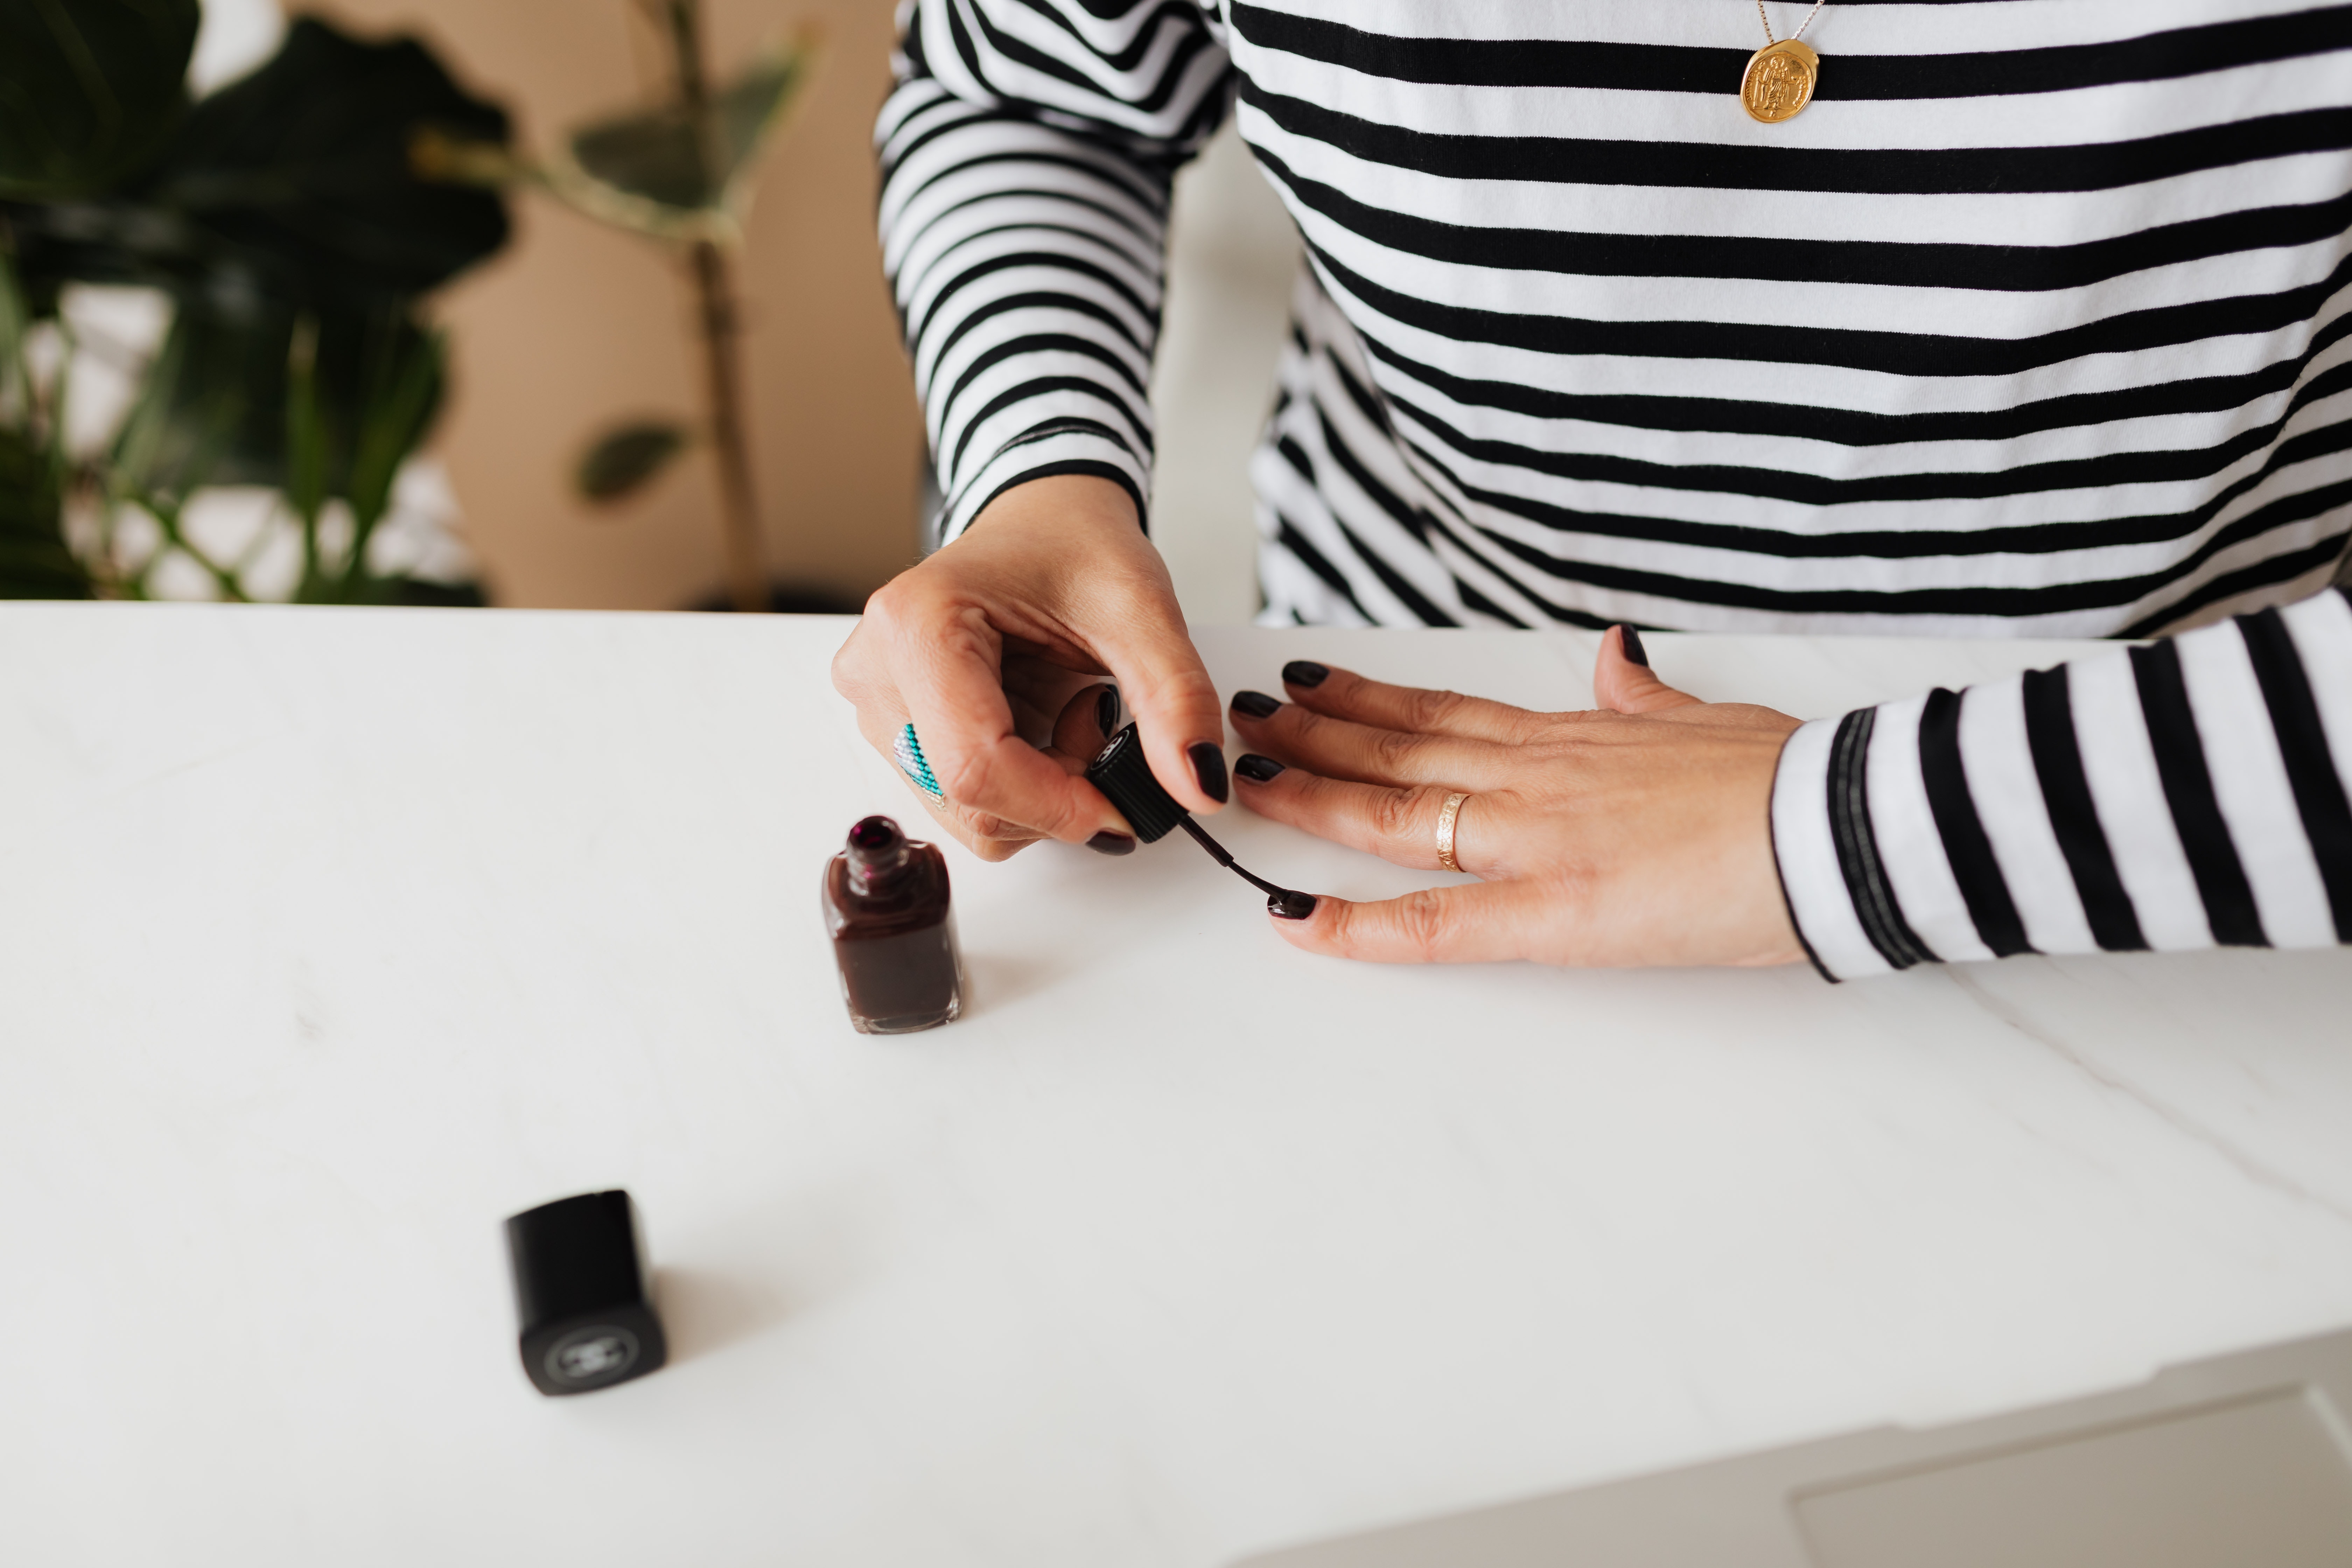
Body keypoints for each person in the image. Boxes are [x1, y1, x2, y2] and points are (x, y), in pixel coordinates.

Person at [837, 0, 2352, 978]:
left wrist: (1838, 829)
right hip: (1384, 737)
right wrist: (1036, 461)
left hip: (2185, 814)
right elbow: (1027, 94)